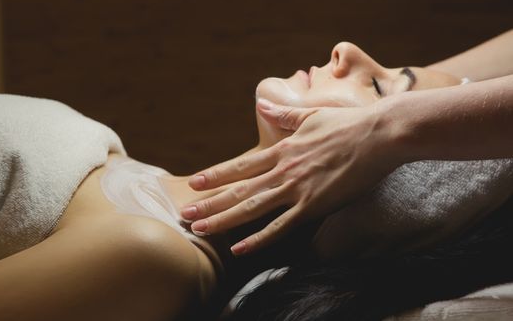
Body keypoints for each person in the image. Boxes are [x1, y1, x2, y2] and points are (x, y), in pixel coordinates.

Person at [0, 37, 510, 321]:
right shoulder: (147, 190)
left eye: (377, 87)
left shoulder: (151, 255)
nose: (346, 50)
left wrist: (395, 126)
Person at [181, 29, 513, 255]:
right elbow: (454, 93)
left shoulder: (163, 257)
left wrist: (387, 125)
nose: (346, 49)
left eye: (378, 88)